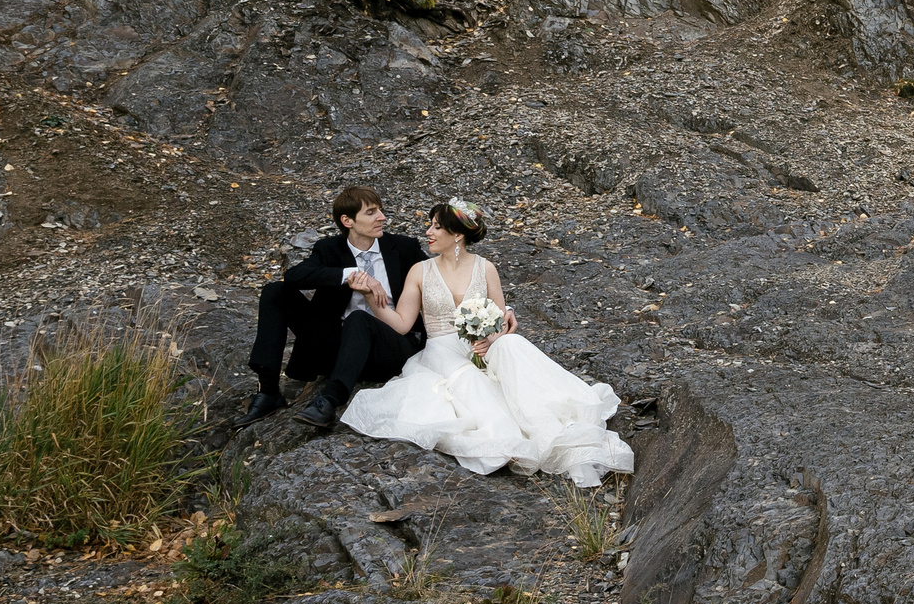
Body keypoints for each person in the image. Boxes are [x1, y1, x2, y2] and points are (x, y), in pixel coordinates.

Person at [339, 200, 634, 487]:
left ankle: (547, 423)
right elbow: (402, 323)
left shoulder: (485, 268)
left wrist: (493, 337)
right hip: (442, 350)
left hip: (481, 346)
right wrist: (371, 300)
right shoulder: (420, 271)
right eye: (429, 226)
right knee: (469, 378)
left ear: (457, 234)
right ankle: (505, 438)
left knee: (511, 345)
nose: (428, 232)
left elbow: (499, 320)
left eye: (436, 227)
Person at [245, 186, 429, 428]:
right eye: (371, 212)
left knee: (359, 319)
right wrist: (350, 274)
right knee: (275, 291)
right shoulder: (329, 249)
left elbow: (439, 280)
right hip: (337, 346)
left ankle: (330, 400)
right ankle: (269, 391)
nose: (382, 217)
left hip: (389, 346)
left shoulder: (404, 248)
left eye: (380, 211)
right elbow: (294, 276)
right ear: (347, 220)